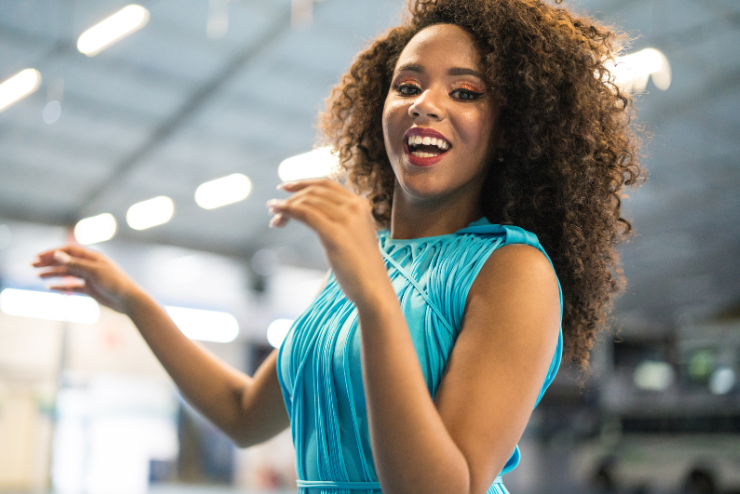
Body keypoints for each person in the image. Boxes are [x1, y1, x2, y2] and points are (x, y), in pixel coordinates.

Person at [33, 0, 643, 492]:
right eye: (408, 85)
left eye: (465, 92)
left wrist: (374, 298)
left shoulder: (513, 271)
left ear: (510, 130)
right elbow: (245, 413)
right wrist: (134, 301)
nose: (426, 104)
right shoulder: (365, 264)